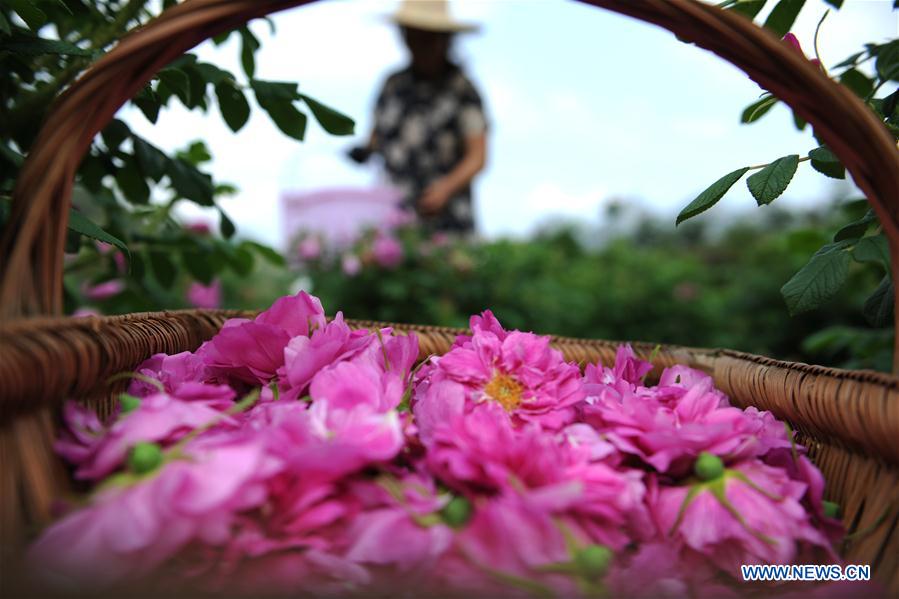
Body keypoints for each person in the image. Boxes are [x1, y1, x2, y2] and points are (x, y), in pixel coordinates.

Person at [348, 0, 488, 235]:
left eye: (427, 37)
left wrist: (445, 189)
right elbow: (377, 136)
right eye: (412, 36)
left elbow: (478, 157)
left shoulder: (462, 90)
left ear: (445, 39)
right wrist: (364, 151)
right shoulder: (393, 85)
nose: (419, 45)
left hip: (448, 222)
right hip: (394, 216)